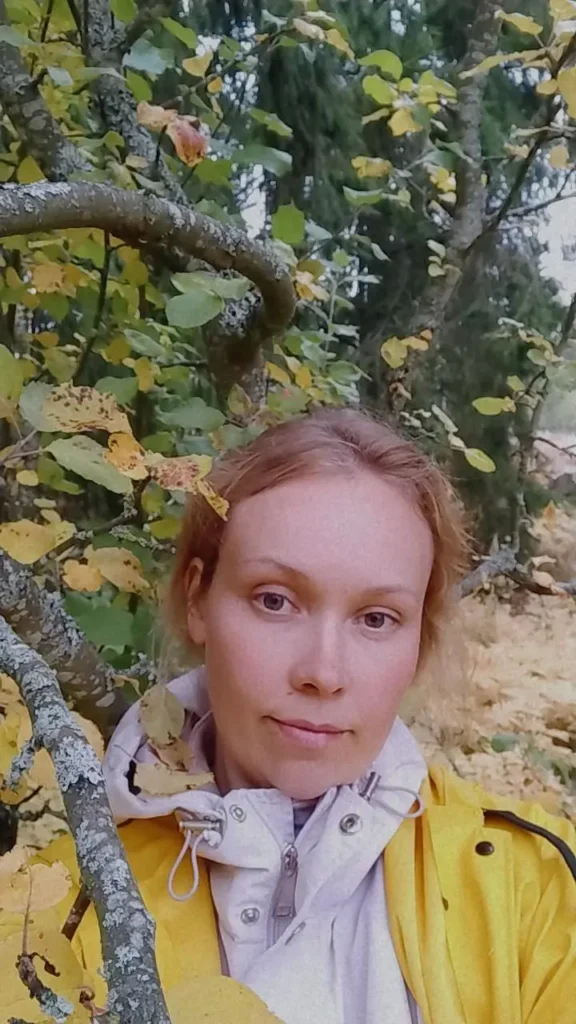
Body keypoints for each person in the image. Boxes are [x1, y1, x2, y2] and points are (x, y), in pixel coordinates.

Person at [57, 409, 576, 1022]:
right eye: (275, 601)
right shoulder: (60, 907)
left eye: (376, 618)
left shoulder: (540, 888)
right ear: (199, 599)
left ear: (419, 640)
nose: (323, 673)